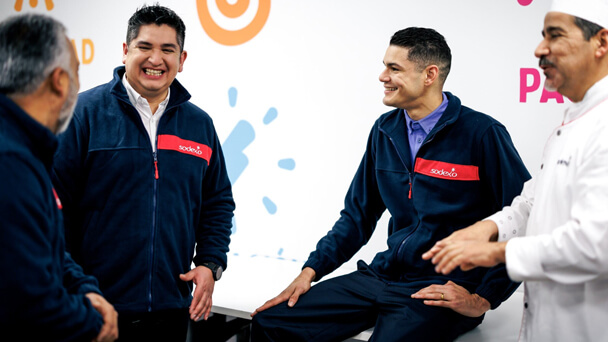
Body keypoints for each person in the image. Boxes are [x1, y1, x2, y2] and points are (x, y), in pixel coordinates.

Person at [250, 27, 531, 341]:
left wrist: (483, 299)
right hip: (383, 275)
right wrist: (311, 271)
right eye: (385, 66)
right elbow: (357, 216)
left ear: (430, 75)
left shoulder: (482, 133)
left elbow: (525, 220)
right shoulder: (385, 130)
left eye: (394, 68)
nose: (382, 76)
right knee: (271, 322)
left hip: (441, 289)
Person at [422, 0, 608, 341]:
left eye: (555, 36)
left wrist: (496, 252)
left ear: (601, 43)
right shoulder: (572, 120)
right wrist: (488, 227)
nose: (540, 49)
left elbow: (597, 244)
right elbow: (533, 200)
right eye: (542, 36)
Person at [51, 4, 235, 341]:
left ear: (182, 59)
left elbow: (218, 202)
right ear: (125, 51)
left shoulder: (199, 126)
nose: (156, 59)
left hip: (171, 309)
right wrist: (70, 285)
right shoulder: (82, 115)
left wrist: (210, 263)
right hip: (93, 308)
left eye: (168, 49)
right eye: (145, 46)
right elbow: (50, 210)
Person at [0, 13, 118, 341]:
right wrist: (95, 324)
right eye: (77, 72)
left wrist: (82, 287)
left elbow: (39, 244)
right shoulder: (11, 162)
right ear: (60, 81)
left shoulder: (26, 148)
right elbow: (28, 304)